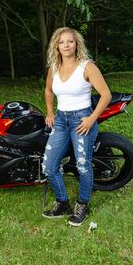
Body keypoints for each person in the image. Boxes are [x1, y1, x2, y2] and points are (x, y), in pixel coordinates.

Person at [42, 27, 112, 226]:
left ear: (76, 44)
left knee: (83, 165)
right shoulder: (54, 68)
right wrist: (49, 111)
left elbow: (106, 94)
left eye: (70, 41)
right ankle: (63, 203)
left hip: (82, 120)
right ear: (57, 45)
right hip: (62, 120)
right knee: (49, 165)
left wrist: (91, 119)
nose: (66, 45)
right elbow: (48, 90)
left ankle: (82, 204)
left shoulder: (87, 67)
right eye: (62, 42)